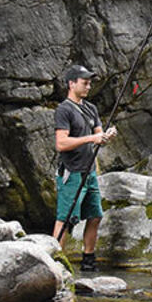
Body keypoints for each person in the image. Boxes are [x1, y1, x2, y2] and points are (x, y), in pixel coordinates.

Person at [51, 64, 115, 272]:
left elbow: (99, 136)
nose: (88, 86)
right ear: (71, 84)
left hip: (90, 172)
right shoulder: (64, 110)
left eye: (89, 82)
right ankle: (57, 262)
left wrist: (106, 136)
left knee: (95, 216)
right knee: (65, 219)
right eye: (84, 82)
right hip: (72, 172)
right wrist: (92, 138)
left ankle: (88, 260)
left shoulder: (90, 108)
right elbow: (61, 143)